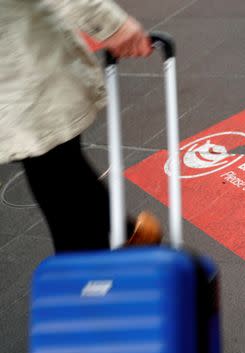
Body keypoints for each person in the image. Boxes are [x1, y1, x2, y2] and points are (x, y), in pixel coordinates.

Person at [0, 0, 163, 253]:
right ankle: (124, 239)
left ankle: (94, 269)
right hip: (19, 63)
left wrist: (109, 24)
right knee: (54, 164)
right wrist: (110, 24)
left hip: (18, 67)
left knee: (52, 163)